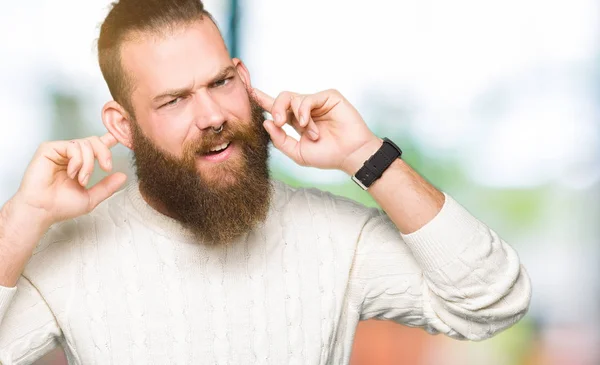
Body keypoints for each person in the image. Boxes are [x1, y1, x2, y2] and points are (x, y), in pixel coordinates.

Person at [0, 0, 531, 364]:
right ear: (122, 126)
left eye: (220, 82)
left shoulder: (335, 237)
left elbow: (492, 302)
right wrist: (23, 218)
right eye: (175, 99)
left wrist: (365, 156)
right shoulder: (66, 256)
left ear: (243, 77)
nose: (211, 114)